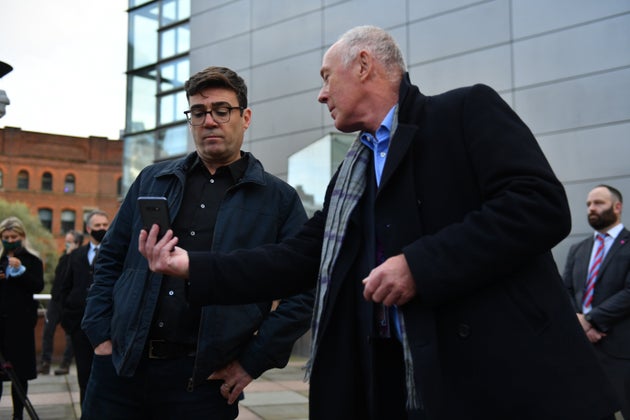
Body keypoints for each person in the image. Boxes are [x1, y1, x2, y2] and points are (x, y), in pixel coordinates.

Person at [140, 26, 621, 420]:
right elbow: (294, 260)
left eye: (328, 77)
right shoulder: (350, 174)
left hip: (494, 381)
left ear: (365, 65)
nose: (321, 94)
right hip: (384, 382)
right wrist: (192, 267)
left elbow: (540, 205)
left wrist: (419, 266)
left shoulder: (464, 111)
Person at [80, 66, 313, 419]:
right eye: (199, 112)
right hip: (120, 370)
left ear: (245, 117)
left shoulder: (278, 200)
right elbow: (110, 258)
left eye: (222, 110)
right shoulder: (152, 180)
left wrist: (251, 361)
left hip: (203, 382)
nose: (209, 121)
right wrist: (100, 334)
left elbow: (306, 289)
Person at [563, 184, 630, 418]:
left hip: (620, 351)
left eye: (598, 203)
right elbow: (566, 290)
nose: (592, 208)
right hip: (585, 349)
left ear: (617, 207)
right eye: (589, 204)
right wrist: (579, 322)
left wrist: (591, 319)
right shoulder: (578, 249)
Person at [60, 210, 110, 404]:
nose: (102, 229)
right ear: (88, 229)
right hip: (79, 325)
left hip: (107, 326)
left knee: (106, 377)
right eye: (97, 226)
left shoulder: (114, 251)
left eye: (105, 225)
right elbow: (64, 287)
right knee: (84, 375)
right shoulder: (76, 255)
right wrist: (67, 319)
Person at [0, 216, 44, 420]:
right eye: (6, 236)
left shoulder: (32, 260)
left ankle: (18, 415)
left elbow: (37, 286)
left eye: (13, 236)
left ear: (22, 237)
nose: (9, 240)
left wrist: (21, 272)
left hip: (20, 325)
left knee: (19, 374)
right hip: (0, 324)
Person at [37, 230, 83, 376]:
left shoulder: (80, 258)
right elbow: (59, 276)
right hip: (56, 301)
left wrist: (72, 255)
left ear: (77, 243)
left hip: (69, 302)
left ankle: (65, 364)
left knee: (70, 335)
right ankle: (45, 363)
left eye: (70, 241)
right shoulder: (64, 258)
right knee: (48, 331)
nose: (67, 243)